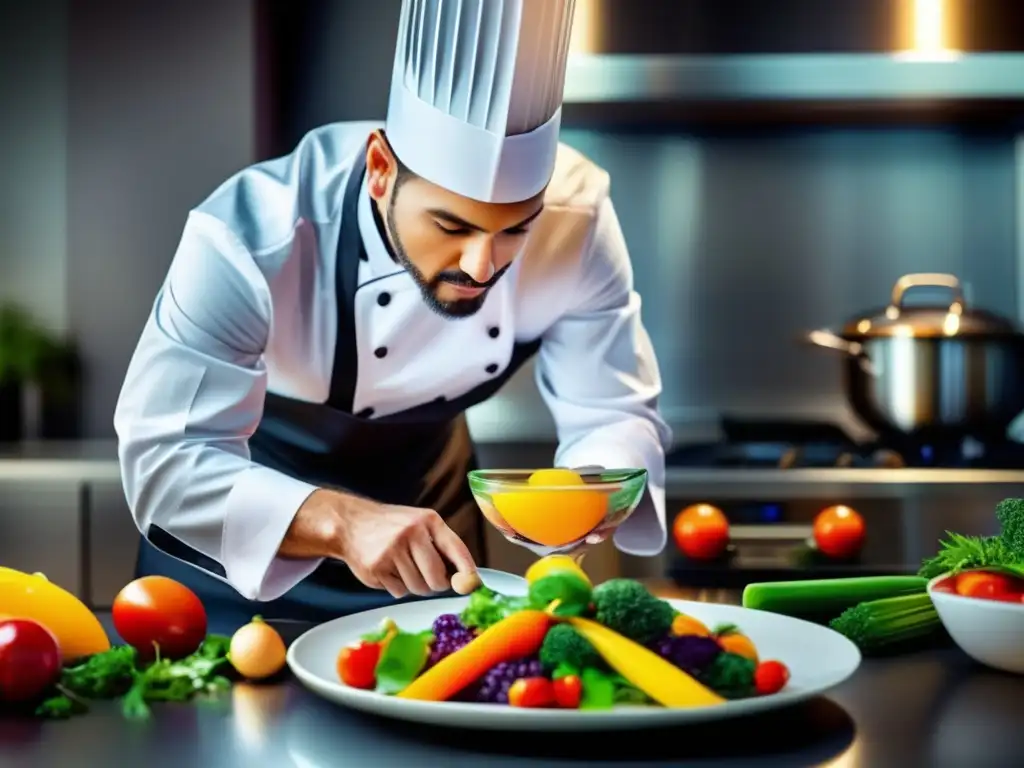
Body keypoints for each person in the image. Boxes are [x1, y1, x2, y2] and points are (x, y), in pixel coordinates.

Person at [114, 0, 672, 630]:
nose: (482, 264)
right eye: (449, 225)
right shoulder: (251, 234)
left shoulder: (578, 219)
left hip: (431, 521)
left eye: (516, 228)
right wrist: (341, 520)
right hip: (244, 527)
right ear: (380, 170)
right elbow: (166, 460)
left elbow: (613, 411)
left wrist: (585, 490)